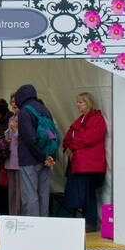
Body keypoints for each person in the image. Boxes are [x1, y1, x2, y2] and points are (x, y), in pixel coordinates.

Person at [62, 92, 108, 232]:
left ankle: (91, 221)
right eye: (77, 102)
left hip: (90, 164)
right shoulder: (80, 120)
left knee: (88, 193)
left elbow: (89, 138)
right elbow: (68, 138)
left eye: (80, 102)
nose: (78, 105)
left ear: (88, 103)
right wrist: (69, 146)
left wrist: (72, 145)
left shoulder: (97, 119)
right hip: (79, 164)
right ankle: (82, 220)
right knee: (78, 193)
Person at [15, 84, 57, 217]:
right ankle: (44, 223)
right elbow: (53, 134)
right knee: (43, 194)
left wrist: (42, 156)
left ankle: (33, 225)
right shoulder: (45, 109)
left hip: (29, 159)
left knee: (30, 194)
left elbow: (29, 138)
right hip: (46, 159)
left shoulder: (24, 112)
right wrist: (49, 156)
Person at [5, 97, 22, 216]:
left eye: (16, 101)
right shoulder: (11, 118)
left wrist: (15, 130)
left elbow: (26, 138)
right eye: (12, 102)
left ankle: (20, 215)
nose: (14, 104)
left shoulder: (24, 118)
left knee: (20, 191)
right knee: (12, 191)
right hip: (10, 157)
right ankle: (12, 215)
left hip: (20, 159)